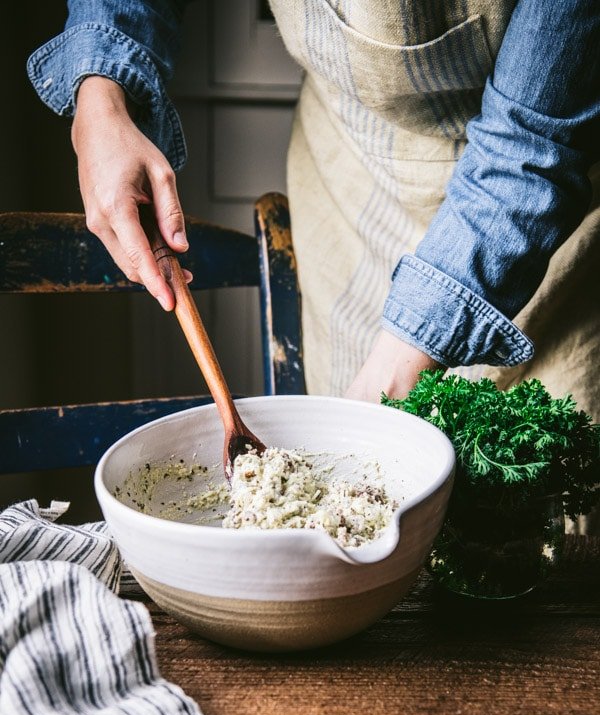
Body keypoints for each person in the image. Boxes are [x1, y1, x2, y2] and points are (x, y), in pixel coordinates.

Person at [27, 0, 600, 418]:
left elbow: (530, 147)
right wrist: (101, 97)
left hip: (536, 219)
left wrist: (390, 376)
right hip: (350, 176)